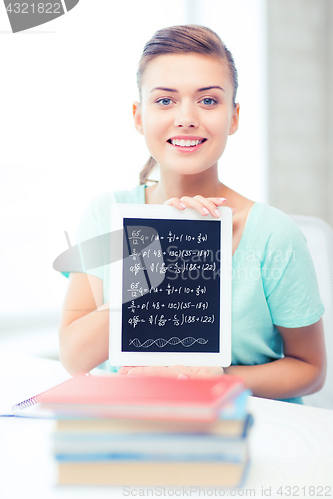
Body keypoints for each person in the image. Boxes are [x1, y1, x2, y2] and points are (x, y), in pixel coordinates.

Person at [58, 25, 326, 403]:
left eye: (209, 101)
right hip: (136, 423)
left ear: (234, 117)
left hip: (246, 429)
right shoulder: (105, 214)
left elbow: (310, 370)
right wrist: (159, 249)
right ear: (139, 116)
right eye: (165, 101)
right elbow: (75, 359)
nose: (186, 118)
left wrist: (221, 378)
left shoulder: (273, 234)